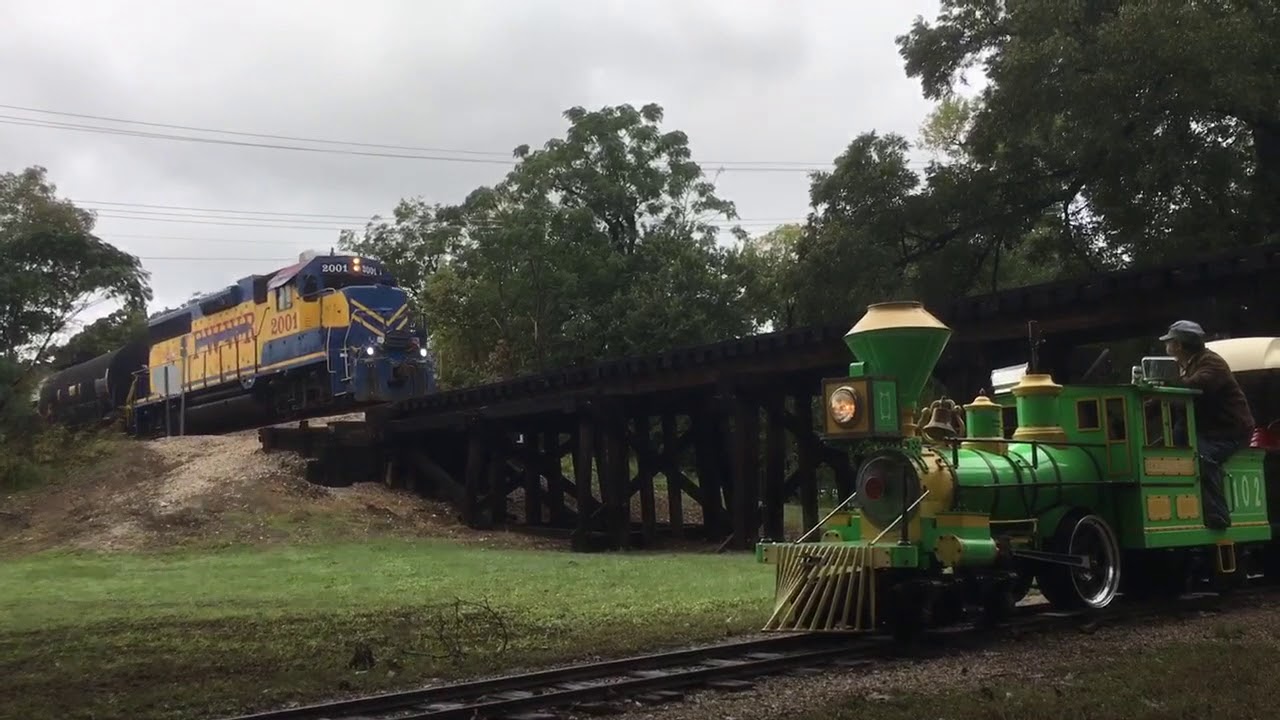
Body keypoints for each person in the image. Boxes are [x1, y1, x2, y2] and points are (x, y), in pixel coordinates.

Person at [1159, 320, 1256, 529]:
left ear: (1180, 345)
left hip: (1229, 431)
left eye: (1170, 341)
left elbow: (1197, 386)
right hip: (1203, 428)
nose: (1167, 346)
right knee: (1167, 448)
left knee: (1202, 455)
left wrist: (1165, 383)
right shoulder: (1185, 364)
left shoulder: (1211, 363)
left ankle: (1217, 514)